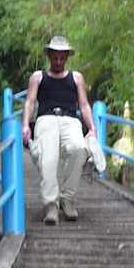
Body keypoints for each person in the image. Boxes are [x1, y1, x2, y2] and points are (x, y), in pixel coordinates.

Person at [21, 36, 99, 224]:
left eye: (62, 57)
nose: (58, 61)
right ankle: (51, 205)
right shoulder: (38, 77)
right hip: (46, 119)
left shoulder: (76, 78)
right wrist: (25, 125)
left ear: (66, 57)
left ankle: (67, 198)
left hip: (70, 120)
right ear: (49, 56)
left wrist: (92, 127)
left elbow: (84, 105)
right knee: (48, 159)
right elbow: (30, 102)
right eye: (55, 57)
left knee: (79, 149)